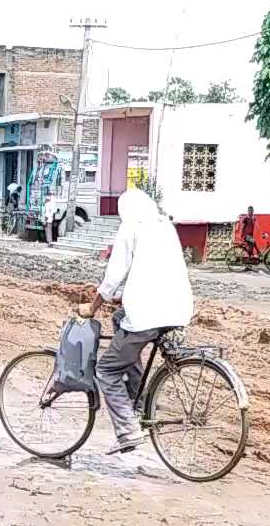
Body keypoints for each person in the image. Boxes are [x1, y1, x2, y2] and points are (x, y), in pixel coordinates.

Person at [73, 188, 193, 454]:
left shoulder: (132, 227)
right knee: (119, 319)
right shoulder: (165, 226)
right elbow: (154, 271)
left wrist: (93, 307)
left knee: (106, 370)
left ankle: (127, 431)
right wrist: (122, 297)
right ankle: (137, 400)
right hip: (178, 308)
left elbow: (114, 275)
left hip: (148, 313)